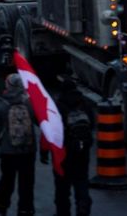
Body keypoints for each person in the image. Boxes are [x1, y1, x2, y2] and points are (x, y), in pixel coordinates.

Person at [0, 73, 38, 216]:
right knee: (27, 182)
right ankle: (26, 209)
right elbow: (38, 121)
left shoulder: (2, 104)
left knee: (7, 179)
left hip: (9, 150)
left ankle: (0, 205)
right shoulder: (30, 102)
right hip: (28, 149)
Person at [46, 79, 94, 216]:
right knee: (81, 181)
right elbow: (92, 124)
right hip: (82, 151)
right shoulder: (84, 104)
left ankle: (63, 212)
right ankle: (83, 207)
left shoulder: (58, 106)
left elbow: (51, 129)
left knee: (62, 187)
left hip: (64, 153)